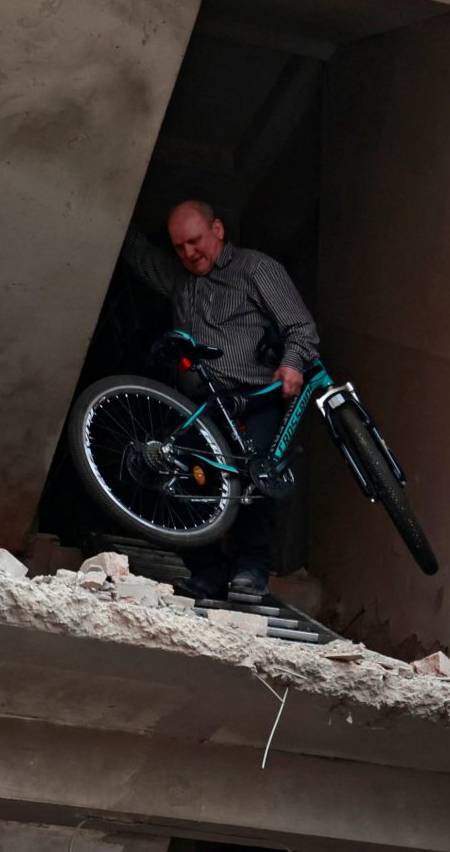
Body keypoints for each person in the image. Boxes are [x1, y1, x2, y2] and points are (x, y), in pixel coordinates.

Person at [118, 200, 320, 601]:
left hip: (254, 396)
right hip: (199, 404)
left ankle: (251, 570)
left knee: (256, 477)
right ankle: (207, 572)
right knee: (180, 479)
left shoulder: (256, 269)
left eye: (195, 241)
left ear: (218, 230)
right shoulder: (177, 276)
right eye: (180, 247)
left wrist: (293, 364)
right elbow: (136, 252)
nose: (190, 253)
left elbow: (300, 326)